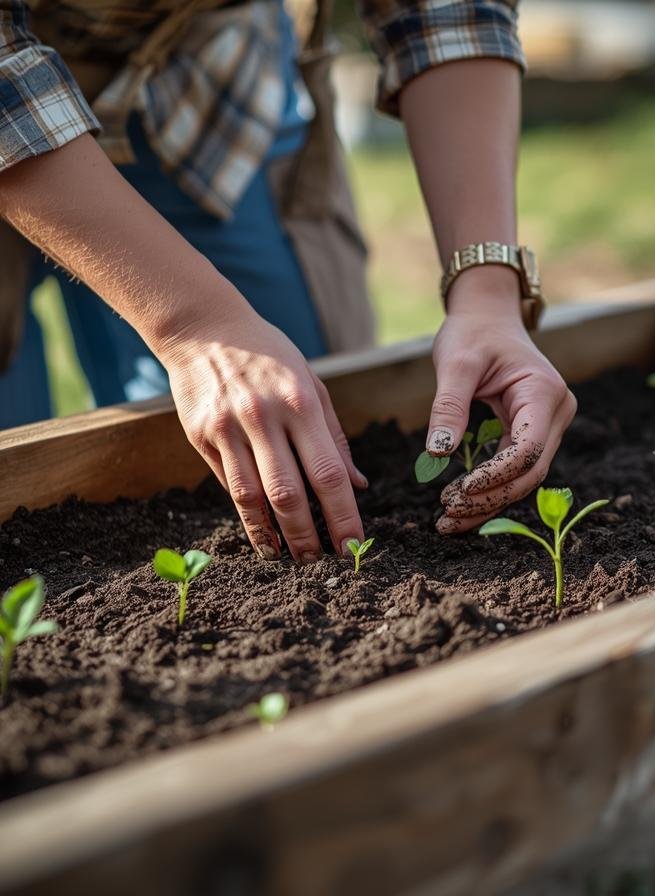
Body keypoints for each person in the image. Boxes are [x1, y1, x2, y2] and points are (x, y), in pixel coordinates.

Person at [0, 0, 576, 562]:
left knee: (295, 420)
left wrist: (487, 291)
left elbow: (448, 10)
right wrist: (196, 325)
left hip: (206, 84)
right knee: (20, 491)